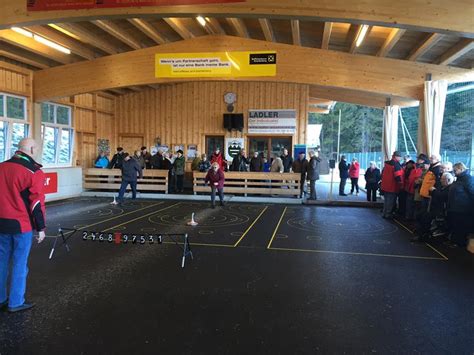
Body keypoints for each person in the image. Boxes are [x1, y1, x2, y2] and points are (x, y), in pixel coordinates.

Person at [0, 138, 46, 313]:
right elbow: (36, 204)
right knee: (20, 263)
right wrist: (41, 228)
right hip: (21, 224)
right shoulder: (34, 172)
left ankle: (1, 298)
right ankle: (16, 302)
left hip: (1, 222)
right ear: (32, 149)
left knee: (1, 261)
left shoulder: (1, 167)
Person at [447, 162, 474, 250]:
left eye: (455, 170)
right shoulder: (460, 178)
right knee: (456, 225)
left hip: (463, 208)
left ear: (461, 169)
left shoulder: (468, 179)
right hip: (456, 207)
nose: (454, 172)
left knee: (460, 226)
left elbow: (472, 193)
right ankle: (455, 241)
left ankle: (459, 243)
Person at [380, 151, 403, 219]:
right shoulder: (395, 165)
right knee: (391, 201)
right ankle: (388, 214)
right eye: (400, 157)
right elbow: (398, 176)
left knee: (386, 201)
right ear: (396, 157)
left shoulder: (387, 164)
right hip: (392, 186)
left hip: (385, 186)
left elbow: (382, 174)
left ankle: (384, 213)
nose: (400, 158)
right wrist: (401, 184)